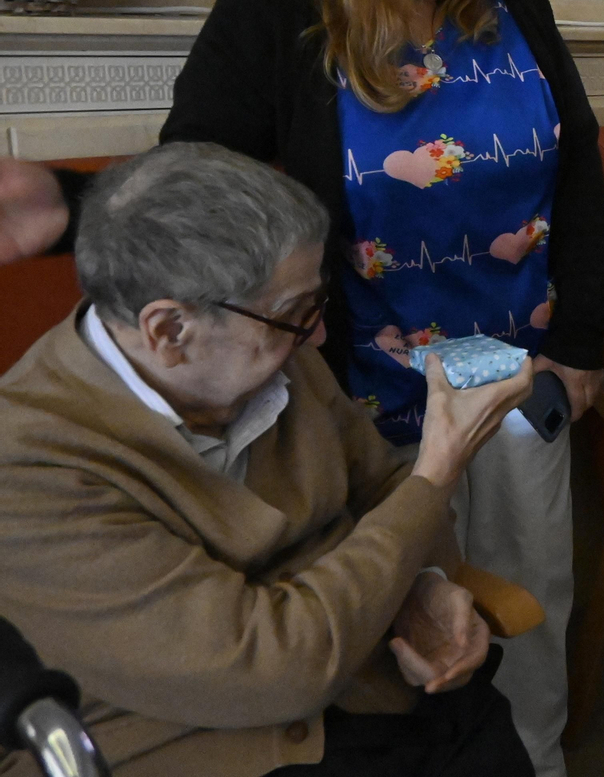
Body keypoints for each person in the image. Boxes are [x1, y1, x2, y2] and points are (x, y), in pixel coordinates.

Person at [0, 0, 604, 774]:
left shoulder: (515, 12)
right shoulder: (274, 17)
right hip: (347, 376)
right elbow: (193, 188)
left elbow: (578, 167)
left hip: (510, 358)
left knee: (521, 592)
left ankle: (530, 756)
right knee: (389, 595)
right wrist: (71, 206)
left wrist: (580, 337)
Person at [0, 144, 536, 777]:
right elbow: (272, 669)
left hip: (372, 679)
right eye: (290, 316)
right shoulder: (29, 468)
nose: (316, 337)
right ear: (169, 331)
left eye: (314, 304)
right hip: (205, 739)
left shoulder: (273, 358)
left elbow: (383, 489)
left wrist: (425, 589)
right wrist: (439, 469)